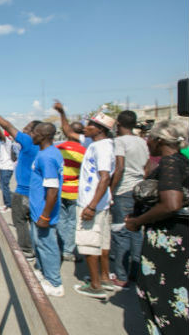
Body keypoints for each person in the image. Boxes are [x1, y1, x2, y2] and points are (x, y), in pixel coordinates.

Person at [125, 120, 189, 335]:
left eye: (150, 137)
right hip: (175, 239)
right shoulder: (180, 160)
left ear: (159, 140)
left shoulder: (171, 162)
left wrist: (137, 222)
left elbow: (171, 203)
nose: (147, 142)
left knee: (162, 294)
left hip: (167, 241)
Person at [0, 105, 40, 259]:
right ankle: (38, 250)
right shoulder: (43, 147)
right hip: (38, 192)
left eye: (28, 128)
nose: (24, 129)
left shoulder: (29, 142)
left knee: (20, 222)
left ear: (36, 132)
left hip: (24, 192)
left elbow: (8, 126)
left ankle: (27, 250)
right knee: (36, 223)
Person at [73, 112, 116, 299]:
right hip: (100, 203)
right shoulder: (97, 144)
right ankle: (104, 277)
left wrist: (91, 206)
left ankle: (95, 285)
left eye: (89, 125)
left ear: (99, 129)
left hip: (92, 204)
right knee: (102, 241)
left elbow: (105, 177)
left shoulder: (102, 148)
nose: (85, 127)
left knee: (89, 242)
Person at [109, 110, 149, 289]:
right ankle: (137, 272)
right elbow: (148, 166)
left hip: (123, 190)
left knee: (121, 231)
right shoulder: (142, 141)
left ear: (118, 124)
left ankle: (121, 276)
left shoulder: (119, 141)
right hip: (139, 190)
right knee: (136, 232)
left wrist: (110, 190)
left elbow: (119, 168)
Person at [29, 123, 64, 297]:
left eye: (34, 133)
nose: (31, 135)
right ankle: (43, 272)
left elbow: (52, 190)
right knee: (40, 245)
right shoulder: (45, 153)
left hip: (44, 212)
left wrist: (45, 215)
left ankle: (55, 283)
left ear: (43, 136)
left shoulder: (47, 157)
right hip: (38, 209)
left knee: (47, 246)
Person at [52, 103, 87, 263]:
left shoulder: (58, 148)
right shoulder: (84, 151)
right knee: (72, 222)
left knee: (60, 219)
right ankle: (68, 251)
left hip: (60, 190)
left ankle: (60, 247)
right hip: (75, 192)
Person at [0, 120, 15, 212]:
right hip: (3, 167)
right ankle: (6, 204)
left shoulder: (7, 141)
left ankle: (8, 206)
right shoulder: (4, 142)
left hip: (7, 168)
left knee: (5, 187)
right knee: (3, 187)